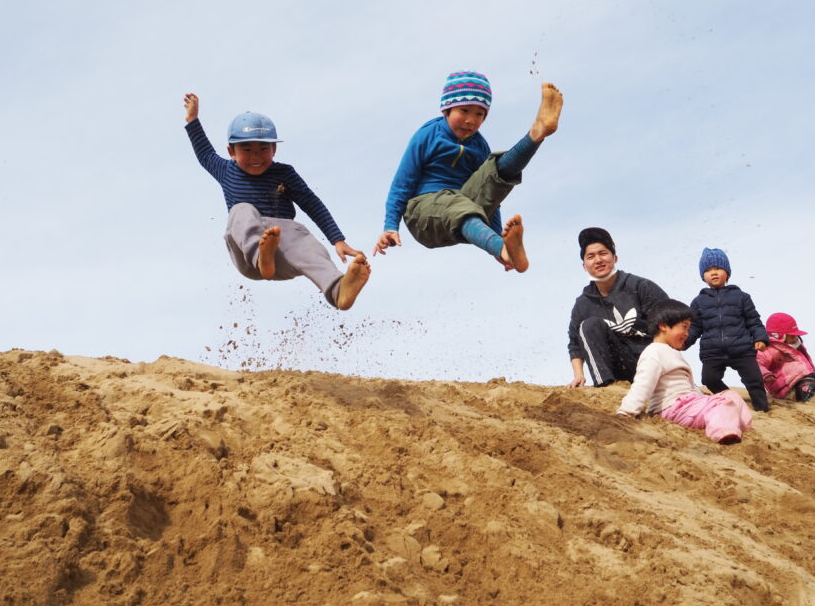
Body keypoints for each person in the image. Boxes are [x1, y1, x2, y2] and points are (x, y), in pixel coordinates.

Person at [182, 93, 370, 310]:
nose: (256, 156)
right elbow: (205, 153)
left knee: (304, 238)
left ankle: (338, 290)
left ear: (274, 149)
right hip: (248, 258)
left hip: (283, 255)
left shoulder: (284, 174)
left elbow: (311, 203)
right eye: (247, 149)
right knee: (241, 210)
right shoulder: (226, 171)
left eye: (263, 149)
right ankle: (261, 254)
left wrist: (338, 241)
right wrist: (192, 120)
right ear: (231, 151)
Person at [373, 71, 564, 272]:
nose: (470, 120)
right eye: (464, 110)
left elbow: (491, 196)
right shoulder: (428, 135)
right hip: (423, 212)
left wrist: (498, 240)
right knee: (457, 205)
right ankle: (502, 249)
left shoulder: (480, 146)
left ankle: (536, 135)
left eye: (479, 114)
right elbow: (402, 183)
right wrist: (390, 227)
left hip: (461, 203)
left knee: (495, 170)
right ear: (446, 109)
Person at [617, 299, 752, 444]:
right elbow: (643, 384)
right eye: (684, 327)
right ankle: (724, 433)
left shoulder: (671, 352)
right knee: (720, 403)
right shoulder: (654, 352)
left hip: (689, 404)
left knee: (731, 395)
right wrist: (627, 411)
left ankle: (740, 426)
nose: (687, 333)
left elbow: (688, 384)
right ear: (663, 326)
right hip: (673, 407)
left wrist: (701, 397)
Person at [567, 227, 668, 387]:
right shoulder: (582, 304)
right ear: (584, 266)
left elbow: (669, 325)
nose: (598, 260)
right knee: (588, 325)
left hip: (650, 363)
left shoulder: (641, 287)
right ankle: (606, 386)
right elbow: (574, 343)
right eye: (591, 256)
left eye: (603, 253)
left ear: (615, 257)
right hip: (617, 369)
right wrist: (578, 375)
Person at [682, 248, 771, 412]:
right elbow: (695, 327)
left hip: (742, 349)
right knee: (709, 379)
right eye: (708, 270)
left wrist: (760, 338)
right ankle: (731, 399)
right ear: (703, 276)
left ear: (727, 273)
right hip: (712, 352)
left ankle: (763, 409)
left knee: (754, 380)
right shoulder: (698, 302)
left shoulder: (742, 297)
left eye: (717, 268)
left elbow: (754, 320)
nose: (713, 273)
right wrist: (684, 342)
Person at [757, 312, 815, 406]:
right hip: (786, 388)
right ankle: (813, 401)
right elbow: (757, 364)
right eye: (792, 336)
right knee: (808, 383)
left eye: (796, 336)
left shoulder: (796, 348)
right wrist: (765, 374)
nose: (795, 339)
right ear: (778, 336)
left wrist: (812, 373)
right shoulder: (768, 350)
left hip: (802, 378)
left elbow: (807, 365)